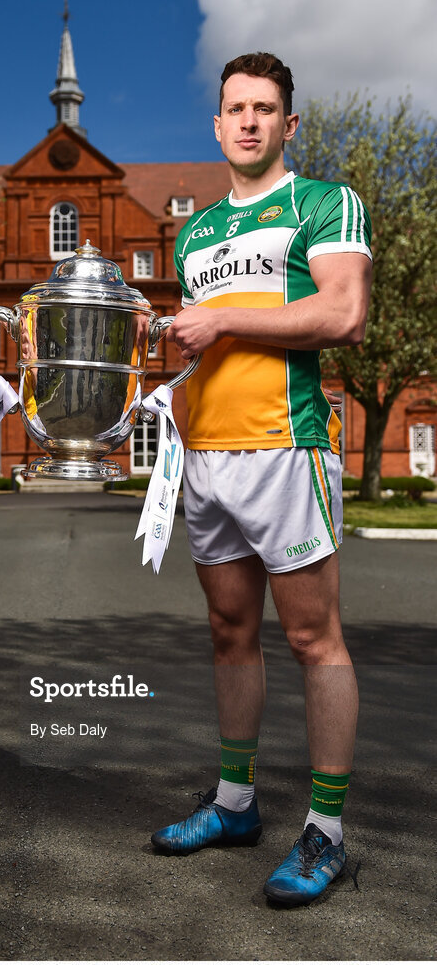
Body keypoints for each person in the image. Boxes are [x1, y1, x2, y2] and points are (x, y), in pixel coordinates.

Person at [151, 53, 372, 907]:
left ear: (288, 124)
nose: (248, 120)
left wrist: (223, 319)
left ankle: (326, 831)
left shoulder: (323, 202)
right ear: (216, 125)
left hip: (289, 449)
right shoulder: (195, 233)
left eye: (265, 108)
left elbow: (342, 314)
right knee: (227, 632)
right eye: (235, 108)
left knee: (315, 639)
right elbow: (200, 345)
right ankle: (236, 805)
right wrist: (172, 382)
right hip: (208, 458)